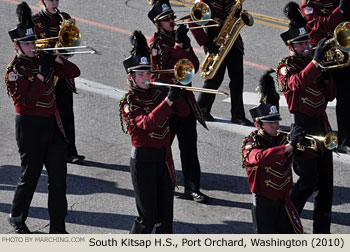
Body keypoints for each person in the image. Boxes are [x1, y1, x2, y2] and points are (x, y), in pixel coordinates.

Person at [5, 2, 80, 234]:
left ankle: (58, 227)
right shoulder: (14, 71)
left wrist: (55, 59)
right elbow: (28, 101)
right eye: (26, 43)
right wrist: (40, 75)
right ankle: (17, 218)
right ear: (17, 46)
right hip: (30, 127)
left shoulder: (42, 60)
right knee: (30, 176)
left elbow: (73, 72)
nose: (31, 46)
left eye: (33, 42)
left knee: (59, 180)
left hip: (51, 125)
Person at [120, 30, 190, 233]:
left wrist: (177, 92)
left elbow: (184, 113)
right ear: (131, 77)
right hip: (142, 161)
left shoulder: (158, 92)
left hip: (163, 158)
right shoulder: (129, 102)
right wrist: (168, 100)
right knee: (147, 217)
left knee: (165, 217)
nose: (145, 78)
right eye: (140, 74)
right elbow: (147, 123)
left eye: (147, 73)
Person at [277, 2, 336, 233]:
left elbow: (330, 97)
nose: (307, 46)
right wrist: (315, 64)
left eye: (307, 42)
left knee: (326, 186)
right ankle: (287, 223)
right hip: (302, 128)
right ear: (291, 47)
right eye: (302, 44)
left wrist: (327, 74)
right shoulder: (286, 66)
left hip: (322, 126)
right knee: (306, 182)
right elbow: (295, 84)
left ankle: (323, 233)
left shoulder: (316, 64)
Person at [148, 0, 209, 203]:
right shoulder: (155, 45)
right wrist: (178, 47)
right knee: (163, 148)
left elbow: (193, 68)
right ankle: (158, 183)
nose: (173, 21)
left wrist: (186, 46)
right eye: (168, 19)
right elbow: (161, 72)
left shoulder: (179, 39)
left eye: (173, 17)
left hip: (185, 101)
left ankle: (192, 188)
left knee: (189, 148)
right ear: (158, 23)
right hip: (167, 103)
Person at [241, 83, 304, 233]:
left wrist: (302, 140)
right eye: (270, 123)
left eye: (276, 121)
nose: (276, 126)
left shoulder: (281, 138)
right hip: (264, 204)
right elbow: (259, 158)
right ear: (258, 125)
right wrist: (288, 147)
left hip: (284, 201)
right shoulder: (251, 143)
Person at [32, 0, 85, 164]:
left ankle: (70, 151)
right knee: (45, 115)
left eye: (56, 0)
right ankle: (43, 151)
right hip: (45, 74)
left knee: (67, 112)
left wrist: (66, 49)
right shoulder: (34, 22)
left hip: (62, 73)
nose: (54, 3)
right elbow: (30, 48)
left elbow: (72, 46)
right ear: (42, 2)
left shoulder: (64, 18)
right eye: (50, 0)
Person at [189, 0, 252, 126]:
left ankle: (238, 115)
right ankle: (202, 109)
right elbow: (192, 21)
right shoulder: (203, 1)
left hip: (233, 40)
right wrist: (206, 43)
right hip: (215, 41)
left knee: (237, 79)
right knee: (214, 78)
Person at [300, 0, 350, 154]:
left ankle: (345, 139)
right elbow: (318, 25)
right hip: (320, 55)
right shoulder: (307, 4)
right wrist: (340, 11)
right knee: (316, 98)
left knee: (346, 97)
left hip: (342, 52)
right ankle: (309, 135)